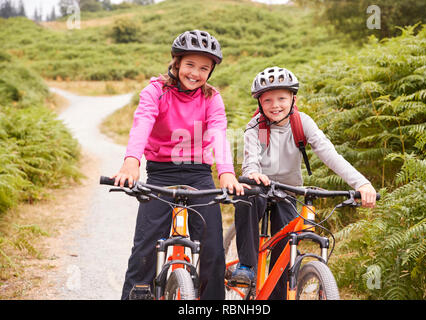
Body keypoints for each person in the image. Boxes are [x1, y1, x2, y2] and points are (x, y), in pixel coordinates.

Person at [112, 30, 244, 300]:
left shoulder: (212, 98)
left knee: (213, 250)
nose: (195, 73)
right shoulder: (155, 92)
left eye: (204, 68)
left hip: (199, 175)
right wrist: (131, 161)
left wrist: (227, 173)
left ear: (211, 71)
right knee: (145, 247)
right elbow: (143, 123)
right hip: (161, 173)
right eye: (190, 65)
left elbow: (219, 131)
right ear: (176, 63)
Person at [231, 66, 377, 299]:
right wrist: (254, 175)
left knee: (285, 251)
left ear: (293, 98)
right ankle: (246, 267)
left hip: (288, 191)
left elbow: (330, 155)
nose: (275, 105)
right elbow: (250, 161)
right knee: (247, 197)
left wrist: (361, 183)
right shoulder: (255, 128)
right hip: (260, 187)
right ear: (259, 103)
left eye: (281, 98)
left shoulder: (302, 123)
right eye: (267, 100)